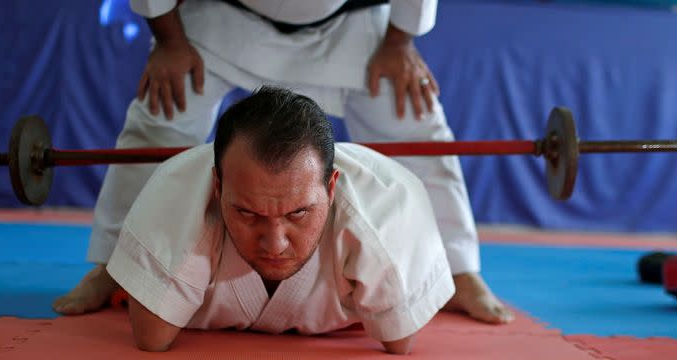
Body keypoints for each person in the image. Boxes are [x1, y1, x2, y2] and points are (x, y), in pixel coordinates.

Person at [53, 0, 514, 324]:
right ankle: (112, 265)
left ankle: (459, 270)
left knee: (415, 120)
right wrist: (169, 41)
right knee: (160, 119)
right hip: (221, 18)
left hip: (352, 26)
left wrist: (398, 44)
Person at [107, 87, 455, 354]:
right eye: (247, 212)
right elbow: (152, 339)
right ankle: (107, 272)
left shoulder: (385, 212)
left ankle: (464, 280)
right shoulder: (176, 195)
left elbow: (399, 342)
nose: (274, 244)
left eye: (298, 213)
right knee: (142, 314)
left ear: (332, 188)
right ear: (217, 185)